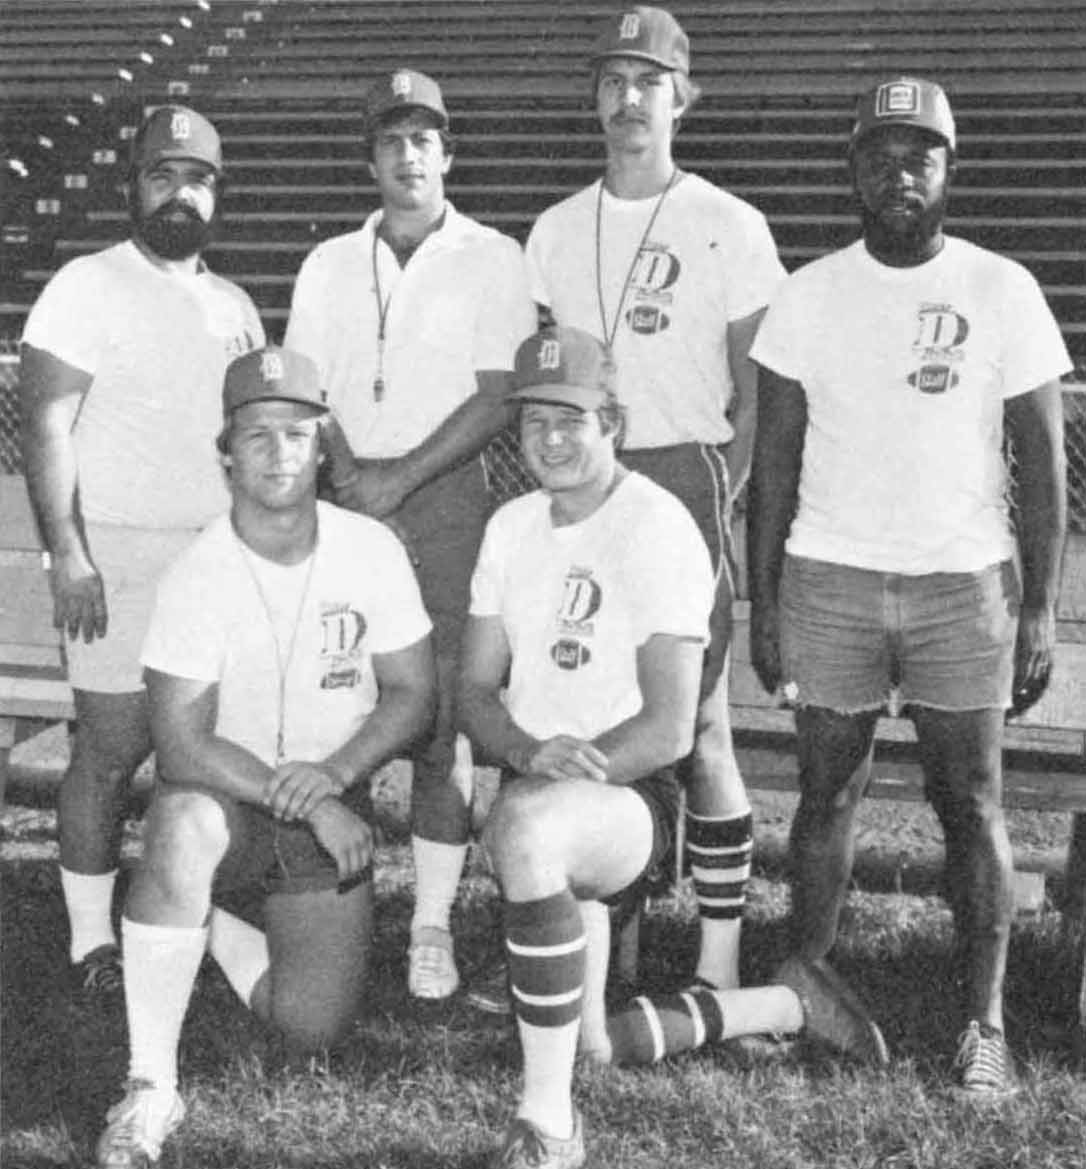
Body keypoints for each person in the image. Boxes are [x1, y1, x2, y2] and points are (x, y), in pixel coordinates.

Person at [456, 327, 884, 1169]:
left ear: (611, 421)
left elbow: (668, 726)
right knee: (588, 1045)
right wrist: (528, 753)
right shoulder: (509, 526)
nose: (550, 438)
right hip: (545, 787)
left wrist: (563, 776)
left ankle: (548, 1129)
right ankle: (780, 1005)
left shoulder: (656, 525)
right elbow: (473, 690)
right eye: (534, 421)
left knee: (526, 826)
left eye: (571, 418)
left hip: (628, 800)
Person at [747, 77, 1070, 1098]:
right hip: (830, 576)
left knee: (970, 800)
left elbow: (1044, 465)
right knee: (826, 792)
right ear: (853, 171)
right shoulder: (808, 294)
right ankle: (808, 988)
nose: (900, 173)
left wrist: (1039, 605)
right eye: (881, 155)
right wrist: (766, 600)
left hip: (962, 585)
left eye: (920, 155)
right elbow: (775, 467)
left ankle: (985, 1022)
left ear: (950, 169)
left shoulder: (1001, 287)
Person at [95, 347, 435, 1169]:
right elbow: (180, 742)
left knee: (309, 1028)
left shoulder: (371, 549)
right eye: (255, 435)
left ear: (322, 446)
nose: (278, 451)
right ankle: (150, 1085)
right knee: (181, 823)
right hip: (230, 805)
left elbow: (413, 695)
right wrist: (313, 799)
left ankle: (203, 923)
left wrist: (336, 775)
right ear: (226, 454)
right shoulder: (197, 571)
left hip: (329, 801)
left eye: (296, 432)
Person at [524, 6, 785, 997]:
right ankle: (607, 951)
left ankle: (718, 965)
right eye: (613, 81)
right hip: (585, 477)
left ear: (684, 99)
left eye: (649, 82)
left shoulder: (729, 222)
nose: (630, 98)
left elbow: (758, 387)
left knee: (700, 724)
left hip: (683, 473)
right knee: (595, 707)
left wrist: (727, 495)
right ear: (594, 100)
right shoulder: (554, 229)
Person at [284, 67, 535, 1002]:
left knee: (438, 725)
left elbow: (499, 395)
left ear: (448, 154)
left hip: (444, 498)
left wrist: (398, 479)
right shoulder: (327, 261)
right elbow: (306, 388)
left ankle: (430, 923)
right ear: (371, 160)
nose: (408, 155)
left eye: (423, 139)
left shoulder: (494, 256)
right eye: (391, 140)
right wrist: (353, 477)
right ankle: (324, 899)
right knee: (334, 702)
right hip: (345, 500)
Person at [19, 105, 263, 994]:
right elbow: (46, 425)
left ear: (217, 194)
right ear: (134, 186)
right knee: (111, 750)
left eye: (197, 180)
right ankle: (91, 941)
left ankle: (209, 925)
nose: (180, 195)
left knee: (211, 755)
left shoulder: (235, 305)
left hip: (214, 560)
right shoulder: (86, 283)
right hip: (116, 555)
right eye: (163, 176)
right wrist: (69, 553)